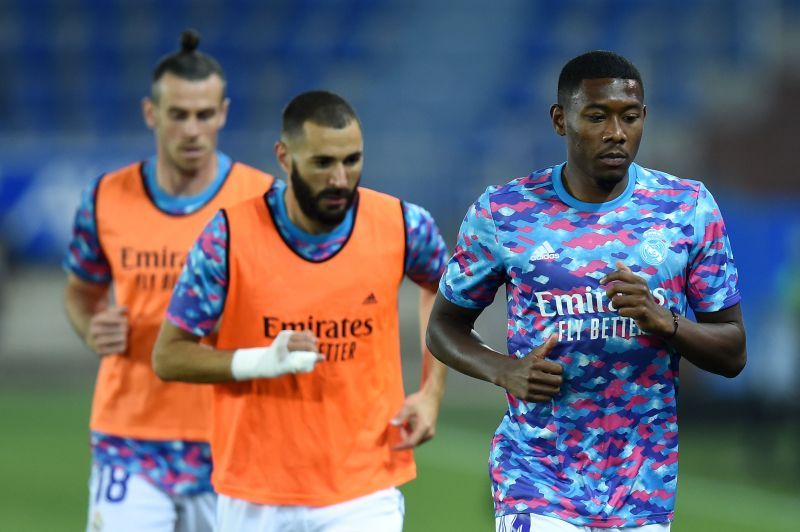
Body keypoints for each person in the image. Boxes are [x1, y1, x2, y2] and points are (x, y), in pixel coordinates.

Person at [426, 50, 746, 531]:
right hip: (535, 476)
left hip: (643, 487)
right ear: (561, 119)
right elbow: (443, 328)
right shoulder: (505, 212)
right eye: (597, 116)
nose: (616, 132)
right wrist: (503, 370)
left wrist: (666, 322)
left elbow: (733, 351)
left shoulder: (687, 209)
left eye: (630, 117)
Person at [152, 89, 448, 531]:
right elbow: (168, 355)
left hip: (363, 490)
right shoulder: (228, 238)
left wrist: (430, 393)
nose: (340, 178)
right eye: (323, 163)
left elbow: (446, 293)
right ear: (284, 158)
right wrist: (259, 361)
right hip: (255, 495)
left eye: (352, 160)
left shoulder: (403, 226)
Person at [63, 30, 273, 532]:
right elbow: (80, 290)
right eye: (178, 114)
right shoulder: (106, 198)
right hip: (128, 433)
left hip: (230, 435)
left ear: (223, 113)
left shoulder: (263, 200)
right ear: (150, 114)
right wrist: (92, 326)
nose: (192, 129)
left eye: (204, 115)